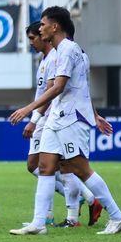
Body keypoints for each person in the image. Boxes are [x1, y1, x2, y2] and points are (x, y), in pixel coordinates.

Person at [8, 6, 121, 235]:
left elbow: (59, 86)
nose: (40, 28)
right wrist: (94, 114)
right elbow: (81, 87)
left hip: (71, 118)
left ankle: (117, 216)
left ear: (55, 26)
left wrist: (28, 109)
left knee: (79, 168)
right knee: (45, 166)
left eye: (42, 24)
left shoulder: (68, 50)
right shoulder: (63, 50)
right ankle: (39, 223)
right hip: (58, 117)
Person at [21, 22, 102, 228]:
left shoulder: (60, 57)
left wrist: (33, 118)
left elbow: (55, 91)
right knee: (49, 167)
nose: (32, 41)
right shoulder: (49, 58)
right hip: (54, 117)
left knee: (62, 167)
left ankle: (81, 208)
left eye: (34, 37)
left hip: (54, 117)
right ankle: (59, 213)